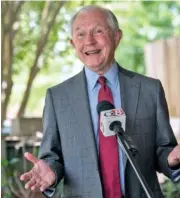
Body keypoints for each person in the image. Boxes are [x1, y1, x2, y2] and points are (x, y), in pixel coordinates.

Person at [20, 5, 180, 198]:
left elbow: (163, 150)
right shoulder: (57, 97)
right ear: (72, 44)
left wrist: (172, 158)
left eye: (98, 31)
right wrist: (51, 173)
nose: (89, 41)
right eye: (80, 34)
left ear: (116, 36)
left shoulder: (149, 90)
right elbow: (52, 156)